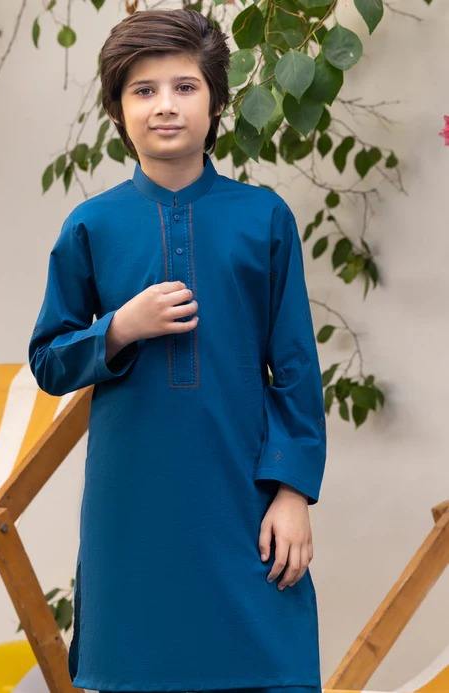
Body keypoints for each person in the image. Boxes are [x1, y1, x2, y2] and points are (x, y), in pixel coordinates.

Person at [28, 8, 327, 693]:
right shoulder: (92, 225)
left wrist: (292, 491)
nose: (165, 105)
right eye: (144, 90)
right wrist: (119, 328)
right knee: (135, 672)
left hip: (244, 498)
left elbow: (296, 367)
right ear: (118, 109)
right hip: (132, 508)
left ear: (216, 102)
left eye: (185, 87)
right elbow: (48, 359)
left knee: (270, 668)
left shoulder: (264, 219)